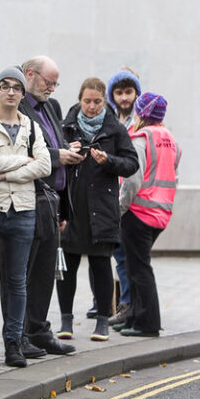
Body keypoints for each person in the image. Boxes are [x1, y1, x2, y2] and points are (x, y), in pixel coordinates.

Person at [0, 67, 51, 367]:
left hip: (24, 211)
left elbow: (44, 165)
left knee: (17, 281)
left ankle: (14, 343)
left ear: (22, 92)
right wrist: (21, 163)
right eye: (4, 86)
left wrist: (5, 172)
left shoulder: (31, 126)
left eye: (16, 87)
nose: (11, 92)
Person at [57, 78, 138, 342]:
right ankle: (66, 321)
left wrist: (109, 161)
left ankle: (102, 322)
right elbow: (51, 158)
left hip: (102, 209)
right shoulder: (66, 126)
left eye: (97, 102)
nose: (91, 107)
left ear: (105, 101)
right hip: (71, 205)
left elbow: (131, 164)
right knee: (67, 265)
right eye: (87, 101)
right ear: (79, 100)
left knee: (101, 264)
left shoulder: (114, 129)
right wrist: (67, 152)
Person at [18, 56, 80, 355]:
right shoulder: (18, 106)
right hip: (30, 197)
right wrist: (59, 157)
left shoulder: (51, 107)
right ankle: (21, 334)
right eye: (48, 82)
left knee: (46, 271)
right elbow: (24, 152)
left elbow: (54, 143)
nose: (52, 88)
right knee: (26, 272)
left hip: (54, 202)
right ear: (30, 74)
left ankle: (39, 330)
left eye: (56, 83)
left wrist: (68, 151)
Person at [116, 93, 181, 338]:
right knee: (135, 266)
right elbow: (174, 175)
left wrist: (121, 208)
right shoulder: (171, 140)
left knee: (139, 268)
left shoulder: (141, 140)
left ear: (141, 113)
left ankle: (148, 323)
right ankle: (133, 317)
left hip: (138, 212)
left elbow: (132, 180)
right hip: (161, 212)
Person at [105, 68, 142, 327]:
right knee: (121, 257)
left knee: (127, 258)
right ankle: (125, 305)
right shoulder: (112, 121)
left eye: (129, 92)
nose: (124, 98)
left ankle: (129, 306)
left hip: (133, 200)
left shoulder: (140, 124)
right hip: (116, 197)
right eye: (119, 93)